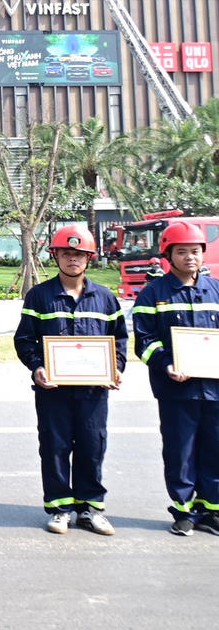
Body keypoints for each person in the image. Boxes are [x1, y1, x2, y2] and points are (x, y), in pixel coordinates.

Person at [14, 225, 126, 536]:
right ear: (56, 256)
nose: (72, 259)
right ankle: (60, 508)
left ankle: (90, 509)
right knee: (54, 447)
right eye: (66, 253)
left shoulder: (105, 298)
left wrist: (115, 368)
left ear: (89, 258)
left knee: (92, 447)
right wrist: (37, 367)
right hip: (53, 391)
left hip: (93, 391)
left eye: (78, 254)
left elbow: (118, 340)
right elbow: (25, 340)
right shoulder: (39, 296)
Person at [132, 220, 219, 536]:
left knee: (215, 450)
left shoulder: (217, 290)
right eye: (182, 252)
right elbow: (144, 339)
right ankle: (182, 511)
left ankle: (211, 510)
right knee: (179, 452)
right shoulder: (154, 294)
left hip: (215, 389)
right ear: (169, 255)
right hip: (175, 390)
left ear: (203, 253)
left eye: (195, 251)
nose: (190, 257)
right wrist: (166, 364)